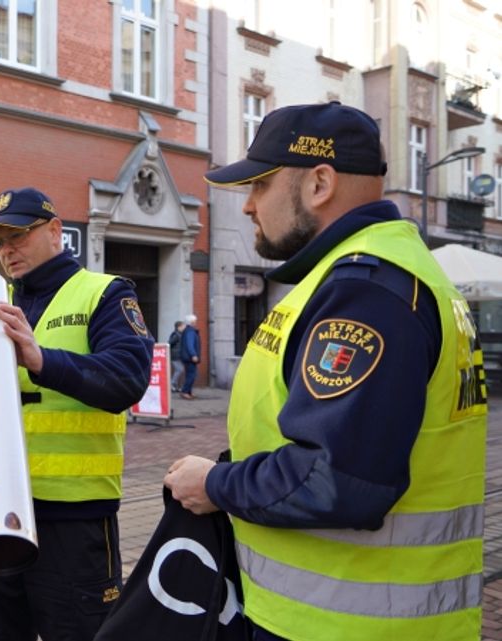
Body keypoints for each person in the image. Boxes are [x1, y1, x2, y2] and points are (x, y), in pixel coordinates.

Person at [164, 102, 488, 641]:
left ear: (319, 183)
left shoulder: (366, 291)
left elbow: (338, 479)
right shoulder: (374, 276)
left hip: (344, 624)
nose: (246, 206)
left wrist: (217, 484)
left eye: (261, 185)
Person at [0, 187, 154, 641]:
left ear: (54, 231)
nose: (7, 250)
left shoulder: (104, 293)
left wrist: (42, 359)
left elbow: (128, 377)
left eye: (18, 236)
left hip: (74, 521)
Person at [179, 314, 200, 398]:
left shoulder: (188, 331)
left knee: (190, 374)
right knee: (192, 375)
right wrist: (193, 355)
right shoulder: (190, 331)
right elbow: (190, 344)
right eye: (195, 321)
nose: (196, 323)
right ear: (191, 322)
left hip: (187, 357)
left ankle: (188, 392)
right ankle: (185, 391)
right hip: (189, 357)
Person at [168, 320, 185, 392]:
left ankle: (176, 386)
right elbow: (169, 343)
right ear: (179, 327)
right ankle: (171, 384)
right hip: (175, 355)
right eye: (183, 326)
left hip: (179, 355)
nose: (184, 327)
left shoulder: (180, 334)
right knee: (179, 369)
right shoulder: (176, 335)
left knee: (179, 370)